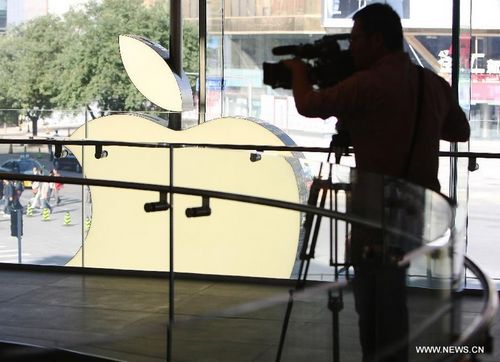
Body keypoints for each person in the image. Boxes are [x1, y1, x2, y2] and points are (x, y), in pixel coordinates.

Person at [284, 3, 470, 362]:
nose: (351, 47)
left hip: (375, 209)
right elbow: (459, 131)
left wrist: (296, 71)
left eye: (355, 39)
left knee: (375, 300)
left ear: (377, 40)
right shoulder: (430, 83)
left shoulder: (367, 84)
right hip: (419, 208)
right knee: (393, 293)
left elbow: (309, 104)